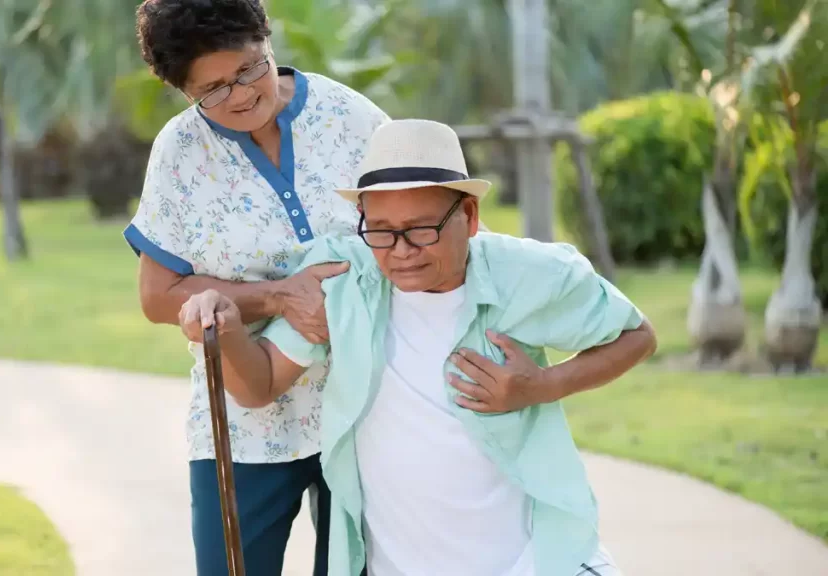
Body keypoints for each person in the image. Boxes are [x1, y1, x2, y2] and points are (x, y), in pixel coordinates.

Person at [179, 119, 658, 576]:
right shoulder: (345, 279)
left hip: (536, 559)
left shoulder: (527, 273)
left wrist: (542, 385)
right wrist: (229, 328)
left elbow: (637, 336)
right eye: (382, 231)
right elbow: (260, 384)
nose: (402, 251)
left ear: (468, 217)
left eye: (421, 229)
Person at [125, 1, 405, 574]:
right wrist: (278, 296)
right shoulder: (179, 153)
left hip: (365, 411)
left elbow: (415, 238)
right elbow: (159, 296)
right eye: (213, 90)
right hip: (242, 427)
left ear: (266, 38)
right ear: (185, 92)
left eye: (251, 69)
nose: (242, 95)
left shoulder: (349, 117)